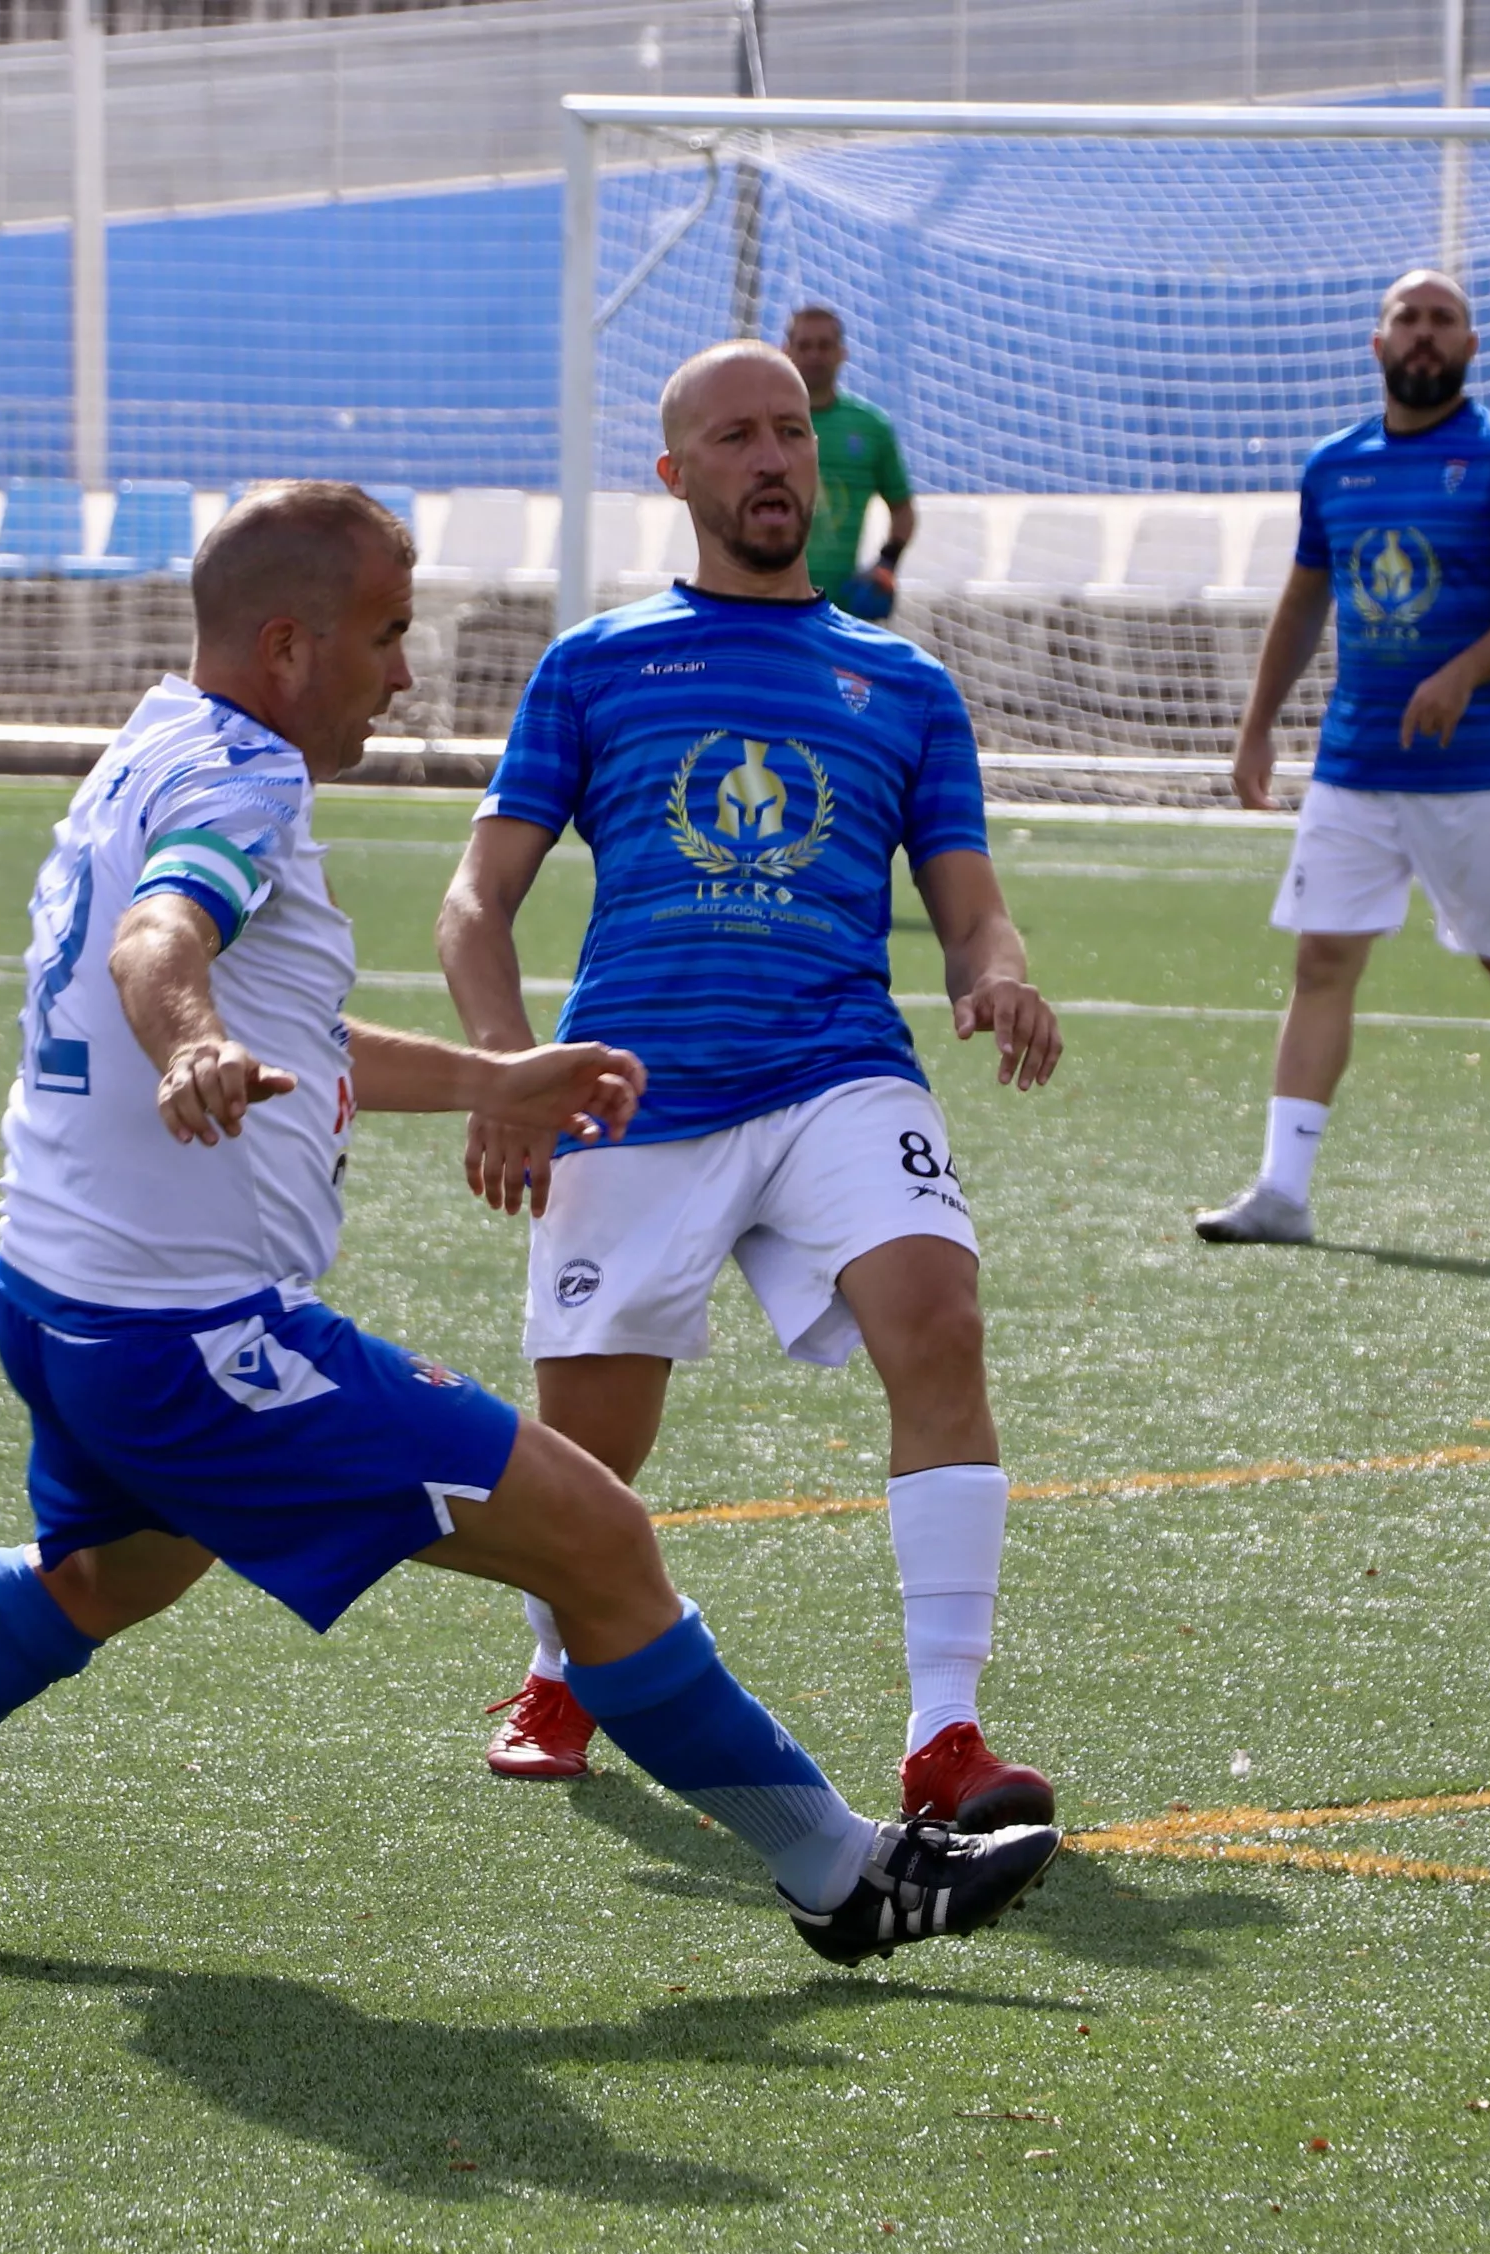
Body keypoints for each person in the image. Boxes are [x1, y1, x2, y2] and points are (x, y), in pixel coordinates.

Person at [0, 479, 1058, 1962]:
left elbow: (286, 1019)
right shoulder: (250, 785)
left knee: (115, 1570)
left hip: (57, 1293)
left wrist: (486, 1076)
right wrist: (188, 1042)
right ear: (286, 647)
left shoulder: (152, 740)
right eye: (385, 635)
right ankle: (845, 1875)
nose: (405, 672)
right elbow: (166, 936)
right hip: (190, 1334)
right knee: (599, 1538)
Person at [437, 342, 1065, 1832]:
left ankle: (947, 1735)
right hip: (633, 1086)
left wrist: (996, 968)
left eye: (793, 433)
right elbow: (477, 899)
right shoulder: (593, 664)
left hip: (837, 1068)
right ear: (677, 474)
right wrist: (506, 1072)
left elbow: (970, 900)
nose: (778, 459)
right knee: (593, 1438)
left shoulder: (903, 684)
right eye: (738, 437)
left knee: (941, 1318)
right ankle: (561, 1666)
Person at [1198, 271, 1490, 1249]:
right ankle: (1282, 1191)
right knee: (1321, 960)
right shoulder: (1335, 466)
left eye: (1443, 322)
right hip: (1353, 766)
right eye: (1407, 321)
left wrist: (1462, 675)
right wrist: (1257, 726)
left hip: (1478, 777)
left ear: (1470, 345)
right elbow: (1302, 603)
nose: (1424, 336)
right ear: (1377, 344)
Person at [782, 305, 914, 620]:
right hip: (769, 606)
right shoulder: (762, 421)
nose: (815, 355)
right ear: (786, 351)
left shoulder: (871, 427)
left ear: (843, 352)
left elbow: (903, 511)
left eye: (824, 346)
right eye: (805, 345)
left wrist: (886, 565)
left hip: (840, 611)